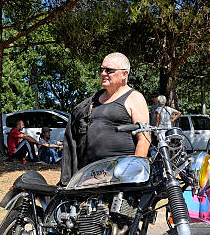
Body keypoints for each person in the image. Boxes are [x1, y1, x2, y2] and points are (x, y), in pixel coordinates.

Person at [60, 52, 149, 185]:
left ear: (125, 74)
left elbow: (144, 139)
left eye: (109, 70)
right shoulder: (92, 101)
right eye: (101, 69)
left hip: (121, 171)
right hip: (92, 171)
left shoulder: (134, 97)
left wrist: (133, 170)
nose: (103, 73)